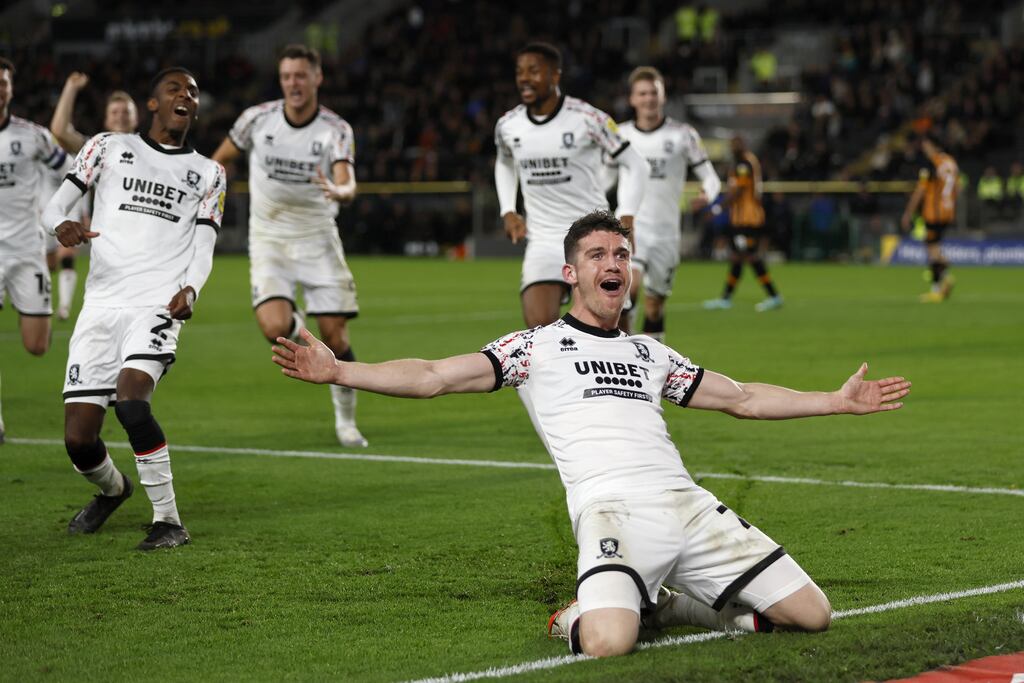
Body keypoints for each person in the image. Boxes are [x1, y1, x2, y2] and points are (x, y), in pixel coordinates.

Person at [271, 210, 911, 658]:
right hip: (611, 510)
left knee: (812, 615)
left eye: (622, 256)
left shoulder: (651, 353)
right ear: (570, 274)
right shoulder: (534, 347)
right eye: (598, 255)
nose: (614, 265)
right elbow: (435, 375)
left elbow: (741, 398)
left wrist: (835, 400)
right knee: (607, 643)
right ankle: (582, 614)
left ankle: (668, 602)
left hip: (687, 505)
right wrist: (340, 369)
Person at [41, 67, 226, 550]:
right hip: (100, 306)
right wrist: (61, 226)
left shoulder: (210, 173)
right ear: (152, 103)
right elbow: (53, 206)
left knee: (131, 400)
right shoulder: (107, 147)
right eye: (175, 88)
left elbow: (203, 246)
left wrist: (191, 289)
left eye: (193, 91)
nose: (185, 95)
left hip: (156, 305)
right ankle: (114, 490)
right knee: (79, 441)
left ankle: (169, 521)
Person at [212, 44, 366, 448]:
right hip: (270, 240)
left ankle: (345, 419)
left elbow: (347, 181)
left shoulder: (336, 129)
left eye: (301, 75)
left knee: (336, 336)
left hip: (318, 240)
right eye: (287, 77)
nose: (293, 83)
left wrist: (340, 190)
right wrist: (206, 189)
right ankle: (302, 331)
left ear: (318, 78)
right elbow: (221, 159)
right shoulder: (256, 120)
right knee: (274, 327)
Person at [494, 41, 647, 328]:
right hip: (544, 239)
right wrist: (508, 210)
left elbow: (636, 163)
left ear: (555, 76)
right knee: (538, 329)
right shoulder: (508, 125)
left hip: (593, 235)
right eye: (520, 72)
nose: (524, 78)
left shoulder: (588, 119)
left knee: (614, 334)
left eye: (534, 71)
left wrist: (627, 214)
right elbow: (504, 162)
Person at [607, 66, 721, 339]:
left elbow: (712, 178)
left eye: (653, 93)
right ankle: (625, 358)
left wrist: (709, 195)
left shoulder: (683, 135)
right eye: (642, 93)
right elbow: (604, 179)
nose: (648, 98)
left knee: (655, 306)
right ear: (632, 99)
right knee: (627, 293)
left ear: (663, 96)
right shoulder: (620, 135)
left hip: (667, 233)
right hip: (630, 228)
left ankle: (653, 365)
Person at [0, 57, 68, 443]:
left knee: (37, 345)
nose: (0, 89)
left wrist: (59, 208)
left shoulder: (32, 136)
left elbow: (68, 170)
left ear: (11, 88)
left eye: (4, 83)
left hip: (28, 251)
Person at [49, 72, 139, 320]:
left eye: (126, 111)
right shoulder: (98, 149)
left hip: (145, 243)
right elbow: (59, 130)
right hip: (112, 246)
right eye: (115, 112)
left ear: (136, 117)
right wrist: (70, 88)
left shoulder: (151, 150)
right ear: (106, 120)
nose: (121, 116)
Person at [704, 135, 782, 312]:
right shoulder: (743, 162)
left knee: (750, 257)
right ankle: (726, 298)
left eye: (735, 144)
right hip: (742, 219)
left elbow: (738, 191)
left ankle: (773, 296)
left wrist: (717, 209)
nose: (733, 147)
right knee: (739, 257)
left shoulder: (743, 164)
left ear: (742, 145)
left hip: (748, 219)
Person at [900, 135, 958, 302]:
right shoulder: (951, 162)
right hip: (948, 211)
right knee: (934, 247)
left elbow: (920, 190)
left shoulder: (931, 163)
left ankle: (938, 286)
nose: (924, 149)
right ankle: (944, 279)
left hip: (934, 212)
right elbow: (957, 187)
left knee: (932, 251)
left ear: (932, 145)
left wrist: (908, 212)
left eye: (925, 145)